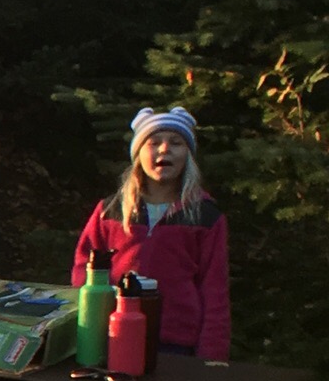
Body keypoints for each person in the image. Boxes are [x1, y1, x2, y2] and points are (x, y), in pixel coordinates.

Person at [71, 106, 229, 360]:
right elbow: (84, 273)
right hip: (113, 335)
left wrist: (212, 356)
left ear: (188, 155)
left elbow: (214, 290)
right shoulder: (110, 211)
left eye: (176, 143)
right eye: (154, 143)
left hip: (176, 344)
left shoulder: (205, 216)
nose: (164, 149)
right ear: (138, 153)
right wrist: (88, 327)